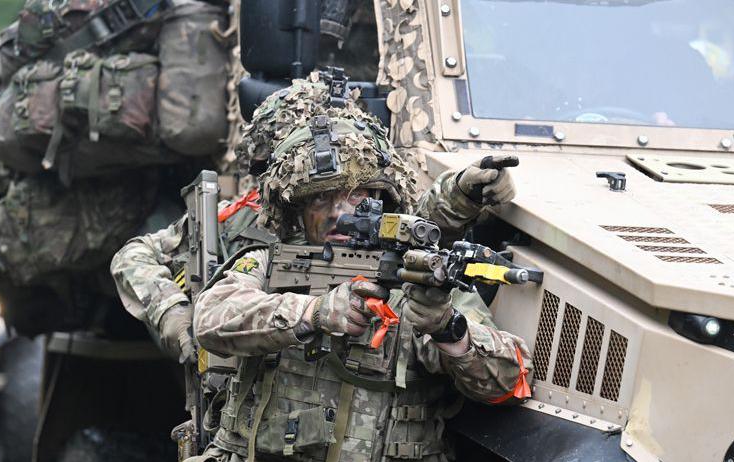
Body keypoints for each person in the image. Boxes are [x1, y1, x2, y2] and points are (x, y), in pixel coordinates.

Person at [191, 113, 531, 462]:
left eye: (357, 198)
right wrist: (312, 313)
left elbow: (508, 379)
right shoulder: (271, 266)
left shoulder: (412, 279)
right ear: (297, 210)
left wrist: (450, 331)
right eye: (321, 200)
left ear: (381, 203)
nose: (339, 213)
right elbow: (211, 318)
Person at [111, 71, 515, 365]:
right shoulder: (239, 218)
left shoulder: (366, 212)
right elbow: (136, 257)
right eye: (319, 194)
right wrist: (174, 317)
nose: (339, 210)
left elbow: (397, 226)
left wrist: (459, 194)